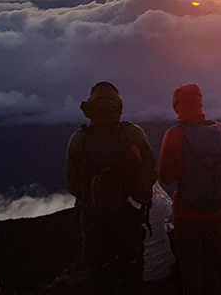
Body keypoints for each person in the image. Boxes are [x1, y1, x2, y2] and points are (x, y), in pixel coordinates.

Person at [66, 81, 157, 295]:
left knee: (101, 278)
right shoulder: (133, 134)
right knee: (131, 275)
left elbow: (73, 186)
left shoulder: (78, 140)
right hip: (129, 219)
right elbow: (151, 173)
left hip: (94, 221)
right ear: (118, 105)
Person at [159, 84, 221, 295]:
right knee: (212, 272)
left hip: (187, 214)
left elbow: (165, 176)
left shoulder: (173, 135)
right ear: (200, 103)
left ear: (177, 107)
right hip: (218, 211)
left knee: (191, 276)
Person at [143, 183, 177, 285]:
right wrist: (163, 194)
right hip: (165, 269)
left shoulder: (127, 208)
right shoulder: (158, 203)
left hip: (140, 272)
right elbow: (173, 212)